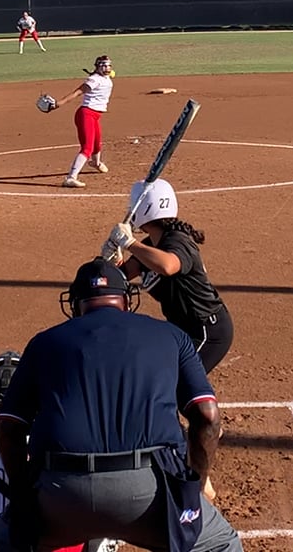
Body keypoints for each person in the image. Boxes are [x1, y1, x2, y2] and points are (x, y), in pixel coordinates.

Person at [0, 259, 244, 552]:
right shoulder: (172, 336)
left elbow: (8, 426)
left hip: (63, 494)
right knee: (222, 543)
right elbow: (207, 416)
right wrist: (193, 489)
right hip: (150, 494)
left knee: (0, 544)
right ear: (126, 300)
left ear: (75, 303)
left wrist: (23, 498)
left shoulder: (43, 343)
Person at [108, 180, 235, 375]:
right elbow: (120, 277)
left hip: (206, 331)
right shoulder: (150, 245)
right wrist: (110, 259)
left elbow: (167, 266)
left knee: (177, 382)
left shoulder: (178, 241)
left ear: (146, 209)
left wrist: (130, 243)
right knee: (158, 377)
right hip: (180, 329)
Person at [44, 56, 113, 188]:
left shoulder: (105, 77)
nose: (107, 68)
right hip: (86, 115)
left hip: (95, 116)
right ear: (98, 67)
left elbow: (108, 74)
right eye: (104, 66)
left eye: (109, 65)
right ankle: (71, 178)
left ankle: (95, 163)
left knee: (97, 144)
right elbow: (77, 93)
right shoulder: (94, 80)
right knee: (87, 148)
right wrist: (58, 104)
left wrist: (102, 71)